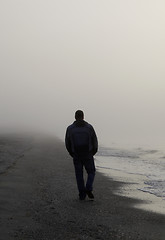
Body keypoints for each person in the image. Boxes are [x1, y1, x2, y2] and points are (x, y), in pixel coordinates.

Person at [65, 110, 98, 200]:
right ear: (83, 116)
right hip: (87, 154)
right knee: (91, 172)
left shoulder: (70, 128)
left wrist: (71, 152)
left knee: (79, 175)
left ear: (75, 117)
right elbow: (94, 140)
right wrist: (93, 151)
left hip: (76, 154)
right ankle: (88, 188)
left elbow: (67, 143)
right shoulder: (89, 127)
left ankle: (82, 194)